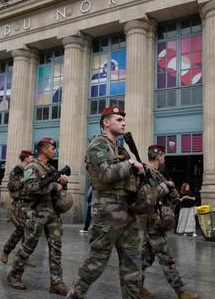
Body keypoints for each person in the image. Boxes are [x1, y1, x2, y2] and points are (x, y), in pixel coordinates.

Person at [65, 106, 145, 299]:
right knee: (96, 261)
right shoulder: (98, 144)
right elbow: (106, 174)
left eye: (123, 120)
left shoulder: (120, 148)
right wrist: (131, 164)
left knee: (132, 261)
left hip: (127, 208)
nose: (123, 122)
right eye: (119, 119)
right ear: (106, 122)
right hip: (108, 209)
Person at [7, 137, 69, 295]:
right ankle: (14, 275)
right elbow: (31, 187)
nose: (54, 151)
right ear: (43, 149)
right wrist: (54, 185)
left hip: (53, 212)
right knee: (29, 245)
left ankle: (56, 282)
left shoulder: (50, 169)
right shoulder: (32, 167)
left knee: (56, 247)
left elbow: (57, 188)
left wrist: (63, 182)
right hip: (37, 212)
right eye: (52, 148)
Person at [139, 145, 199, 299]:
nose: (165, 158)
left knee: (146, 257)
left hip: (155, 220)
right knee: (167, 258)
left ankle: (135, 285)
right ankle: (181, 291)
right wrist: (165, 187)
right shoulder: (146, 173)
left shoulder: (157, 173)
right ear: (158, 156)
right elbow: (148, 197)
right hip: (153, 220)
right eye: (163, 155)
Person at [0, 149, 35, 267]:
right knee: (20, 229)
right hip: (19, 204)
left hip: (30, 204)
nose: (33, 158)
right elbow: (10, 186)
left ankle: (24, 256)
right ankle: (6, 250)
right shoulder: (17, 170)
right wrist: (23, 180)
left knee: (28, 231)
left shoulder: (30, 170)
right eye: (31, 156)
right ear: (25, 158)